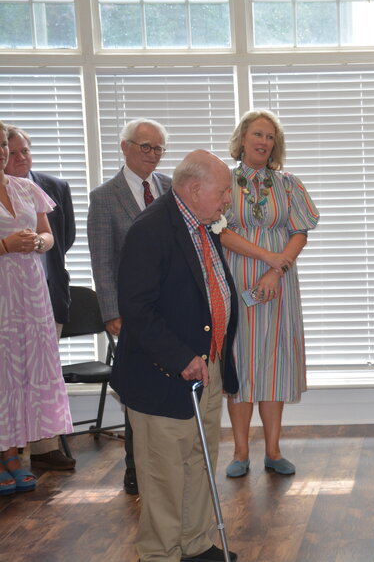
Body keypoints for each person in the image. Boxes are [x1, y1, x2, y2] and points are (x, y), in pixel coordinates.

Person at [110, 150, 239, 562]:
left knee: (201, 459)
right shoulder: (151, 230)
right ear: (194, 188)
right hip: (165, 375)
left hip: (208, 365)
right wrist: (181, 358)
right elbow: (137, 308)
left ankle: (195, 543)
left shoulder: (201, 224)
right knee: (165, 474)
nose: (227, 201)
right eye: (222, 192)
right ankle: (162, 554)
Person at [220, 110, 319, 478]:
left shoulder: (289, 184)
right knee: (241, 361)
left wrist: (277, 270)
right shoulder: (224, 181)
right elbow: (220, 231)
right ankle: (241, 451)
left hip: (279, 286)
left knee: (274, 364)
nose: (264, 142)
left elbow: (301, 231)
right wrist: (266, 257)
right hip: (237, 281)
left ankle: (274, 450)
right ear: (242, 138)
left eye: (270, 137)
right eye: (257, 134)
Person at [87, 118, 171, 495]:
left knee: (169, 386)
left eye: (158, 149)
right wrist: (111, 313)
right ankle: (135, 466)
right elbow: (102, 262)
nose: (152, 155)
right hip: (131, 313)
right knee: (138, 389)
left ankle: (168, 463)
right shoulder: (104, 197)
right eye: (145, 147)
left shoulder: (171, 188)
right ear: (125, 147)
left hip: (171, 308)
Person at [0, 120, 73, 495]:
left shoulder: (27, 188)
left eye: (3, 144)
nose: (2, 152)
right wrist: (6, 246)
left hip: (30, 294)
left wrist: (36, 242)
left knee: (23, 373)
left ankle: (13, 454)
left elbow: (50, 235)